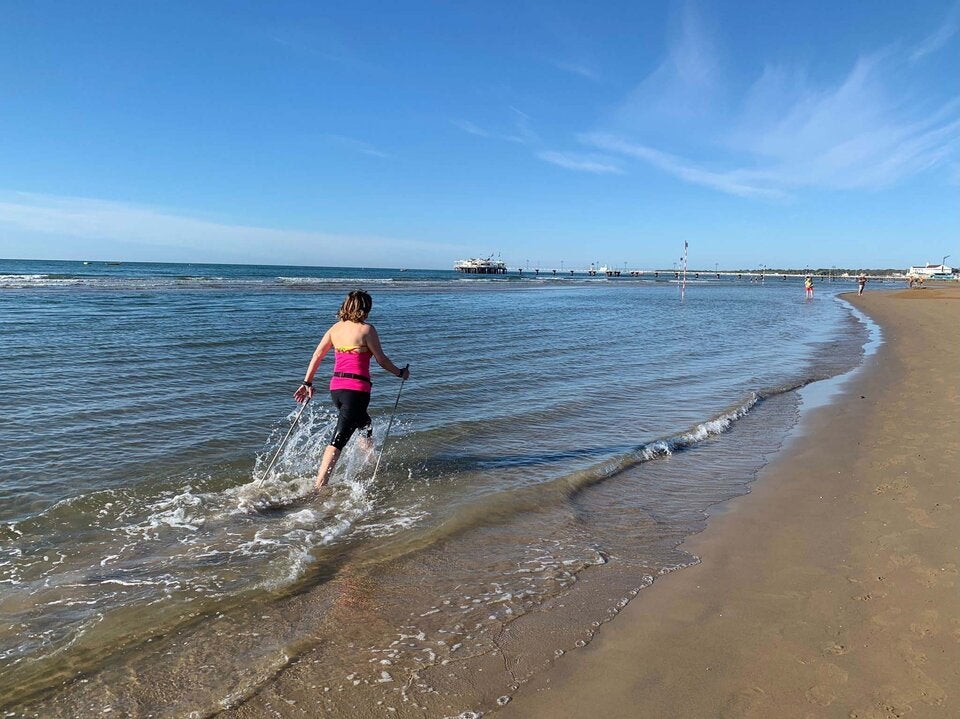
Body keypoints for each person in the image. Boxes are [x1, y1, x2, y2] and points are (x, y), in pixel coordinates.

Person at [294, 290, 410, 490]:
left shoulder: (335, 329)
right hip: (356, 391)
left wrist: (307, 383)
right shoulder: (367, 330)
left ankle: (372, 465)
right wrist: (401, 373)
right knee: (339, 439)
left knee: (365, 425)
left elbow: (317, 355)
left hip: (337, 390)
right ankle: (319, 486)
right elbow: (381, 360)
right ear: (366, 308)